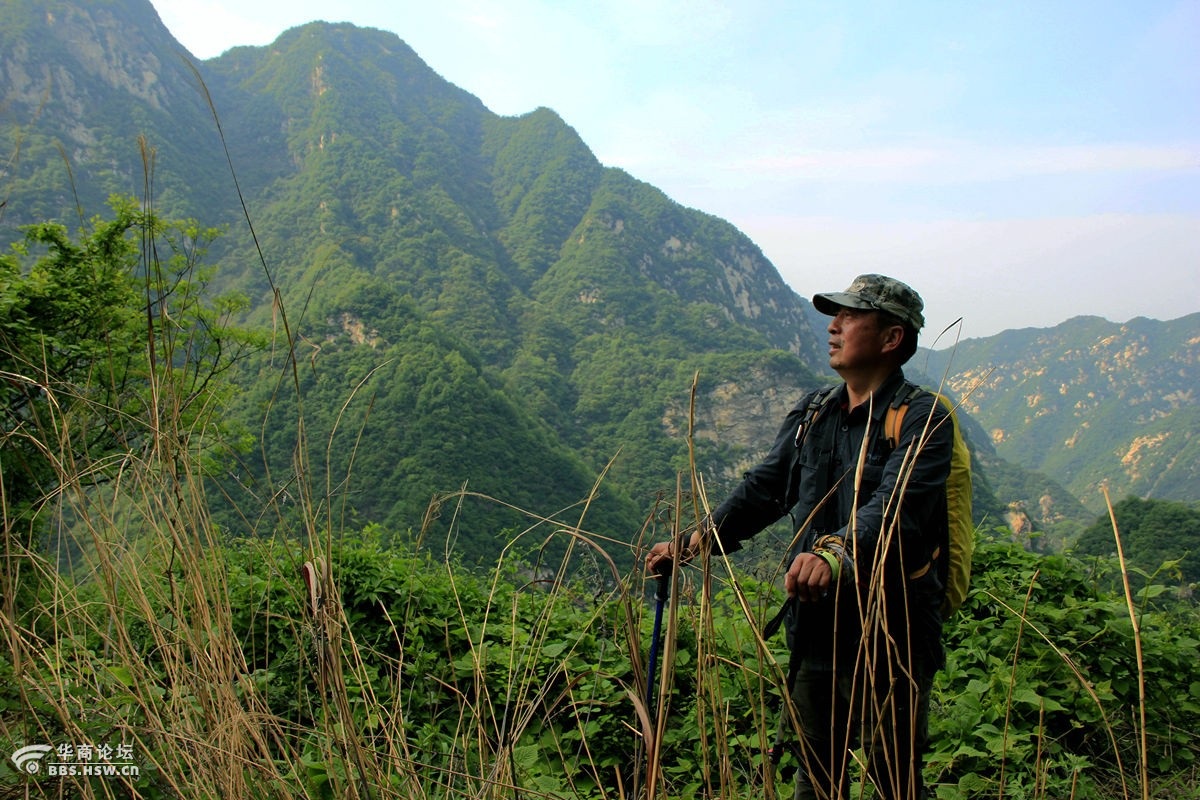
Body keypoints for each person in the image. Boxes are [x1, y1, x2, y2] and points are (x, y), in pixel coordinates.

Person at [646, 274, 954, 800]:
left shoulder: (923, 417)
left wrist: (833, 552)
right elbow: (766, 489)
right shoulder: (815, 413)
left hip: (894, 624)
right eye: (835, 316)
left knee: (893, 776)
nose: (833, 327)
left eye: (850, 317)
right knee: (816, 772)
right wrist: (693, 540)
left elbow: (894, 506)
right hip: (817, 620)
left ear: (891, 338)